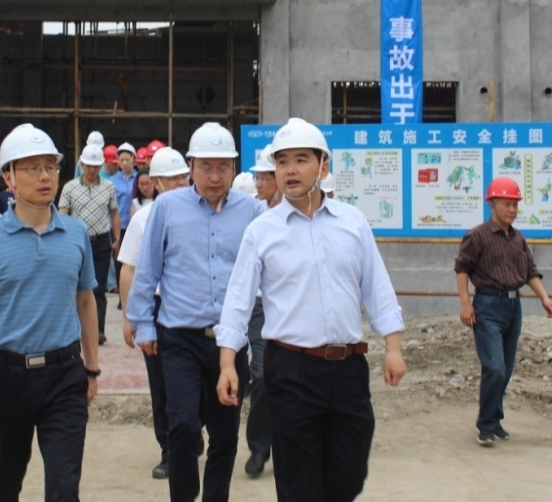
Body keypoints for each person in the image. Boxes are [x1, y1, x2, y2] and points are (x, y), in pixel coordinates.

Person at [216, 118, 408, 502]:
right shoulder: (262, 231)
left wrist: (393, 347)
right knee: (299, 482)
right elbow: (238, 301)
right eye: (282, 161)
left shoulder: (352, 222)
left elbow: (377, 286)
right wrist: (227, 364)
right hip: (291, 369)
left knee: (348, 476)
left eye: (301, 159)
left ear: (323, 166)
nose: (290, 170)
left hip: (349, 369)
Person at [0, 123, 100, 502]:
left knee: (64, 488)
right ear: (9, 177)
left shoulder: (76, 233)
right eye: (33, 168)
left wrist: (91, 369)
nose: (45, 176)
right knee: (5, 485)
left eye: (51, 167)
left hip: (64, 375)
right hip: (5, 377)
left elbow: (86, 302)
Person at [128, 121, 265, 502]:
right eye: (206, 167)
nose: (215, 176)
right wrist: (143, 325)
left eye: (223, 167)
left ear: (234, 168)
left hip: (230, 341)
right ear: (191, 166)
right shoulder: (167, 208)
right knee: (183, 426)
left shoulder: (253, 212)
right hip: (180, 338)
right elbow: (148, 269)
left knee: (225, 432)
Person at [454, 176, 552, 447]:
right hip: (487, 306)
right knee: (495, 366)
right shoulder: (477, 236)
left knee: (507, 368)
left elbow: (530, 272)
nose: (511, 210)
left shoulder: (518, 239)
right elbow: (462, 269)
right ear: (492, 204)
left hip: (513, 307)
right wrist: (465, 304)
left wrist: (545, 298)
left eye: (515, 205)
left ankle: (495, 420)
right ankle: (485, 424)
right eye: (506, 204)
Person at [117, 147, 191, 480]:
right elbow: (129, 269)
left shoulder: (205, 213)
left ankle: (190, 431)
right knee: (161, 383)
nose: (180, 184)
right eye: (172, 179)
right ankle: (169, 449)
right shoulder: (143, 219)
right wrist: (130, 317)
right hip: (157, 308)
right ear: (156, 183)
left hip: (195, 307)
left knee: (200, 378)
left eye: (183, 178)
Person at [241, 144, 279, 478]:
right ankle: (259, 446)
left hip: (295, 306)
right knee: (263, 375)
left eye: (264, 177)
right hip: (258, 306)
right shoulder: (254, 216)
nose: (258, 183)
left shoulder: (305, 215)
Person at [59, 143, 121, 344]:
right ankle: (75, 329)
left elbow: (114, 213)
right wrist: (62, 240)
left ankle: (98, 330)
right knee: (75, 287)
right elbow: (62, 215)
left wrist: (116, 239)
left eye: (96, 166)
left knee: (98, 289)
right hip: (77, 242)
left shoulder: (109, 187)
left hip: (101, 241)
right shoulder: (70, 187)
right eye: (88, 165)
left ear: (101, 166)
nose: (92, 170)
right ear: (82, 164)